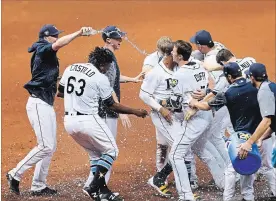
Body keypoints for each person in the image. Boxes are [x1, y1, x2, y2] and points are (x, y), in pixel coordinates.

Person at [6, 24, 95, 196]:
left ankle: (38, 185)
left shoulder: (44, 53)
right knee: (46, 145)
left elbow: (49, 75)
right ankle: (14, 173)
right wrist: (79, 33)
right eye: (54, 36)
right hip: (38, 104)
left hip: (45, 104)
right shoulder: (44, 49)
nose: (56, 38)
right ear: (47, 37)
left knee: (50, 146)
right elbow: (58, 44)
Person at [57, 47, 148, 200]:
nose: (107, 69)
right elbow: (111, 105)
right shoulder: (100, 77)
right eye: (107, 66)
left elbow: (60, 92)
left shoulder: (71, 68)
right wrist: (135, 111)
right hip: (88, 120)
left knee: (95, 155)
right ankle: (93, 186)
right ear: (102, 65)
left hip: (69, 123)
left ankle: (102, 191)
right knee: (112, 151)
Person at [189, 62, 263, 201]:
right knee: (248, 176)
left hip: (241, 138)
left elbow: (206, 106)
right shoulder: (254, 86)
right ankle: (248, 197)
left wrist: (194, 103)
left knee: (231, 170)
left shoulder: (229, 93)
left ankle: (227, 198)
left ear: (229, 76)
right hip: (259, 134)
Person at [83, 25, 144, 192]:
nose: (121, 41)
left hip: (100, 109)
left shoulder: (103, 56)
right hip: (106, 110)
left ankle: (93, 185)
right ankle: (94, 187)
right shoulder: (107, 56)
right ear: (108, 39)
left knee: (99, 152)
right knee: (108, 151)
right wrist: (119, 110)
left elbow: (113, 79)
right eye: (118, 38)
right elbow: (108, 86)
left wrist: (132, 79)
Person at [238, 63, 276, 197]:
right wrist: (260, 138)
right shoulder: (270, 86)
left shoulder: (264, 91)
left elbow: (266, 121)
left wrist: (249, 142)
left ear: (252, 78)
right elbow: (273, 124)